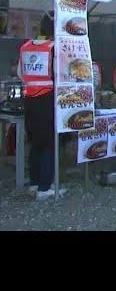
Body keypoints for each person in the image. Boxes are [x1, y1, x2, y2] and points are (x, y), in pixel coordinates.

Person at [18, 12, 59, 200]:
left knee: (35, 142)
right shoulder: (53, 48)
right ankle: (45, 187)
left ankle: (34, 184)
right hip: (47, 98)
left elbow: (20, 73)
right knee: (49, 143)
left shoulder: (26, 46)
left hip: (29, 98)